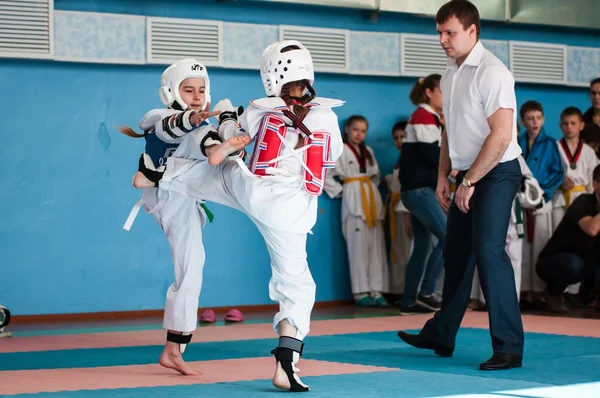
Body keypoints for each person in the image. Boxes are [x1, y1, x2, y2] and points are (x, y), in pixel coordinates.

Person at [157, 40, 344, 392]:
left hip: (249, 186)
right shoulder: (327, 116)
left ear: (271, 75)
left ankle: (159, 172)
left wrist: (228, 120)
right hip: (289, 211)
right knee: (296, 285)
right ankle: (286, 362)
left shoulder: (261, 110)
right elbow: (330, 157)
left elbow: (233, 136)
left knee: (207, 171)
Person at [397, 0, 525, 371]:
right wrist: (444, 176)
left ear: (472, 31)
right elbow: (450, 132)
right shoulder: (450, 75)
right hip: (467, 172)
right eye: (439, 32)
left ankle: (509, 347)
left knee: (488, 252)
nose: (442, 39)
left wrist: (469, 180)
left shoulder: (493, 72)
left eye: (449, 32)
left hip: (498, 171)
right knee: (456, 255)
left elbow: (501, 137)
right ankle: (441, 334)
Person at [119, 58, 244, 376]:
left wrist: (226, 125)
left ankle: (174, 347)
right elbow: (172, 127)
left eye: (202, 90)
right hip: (171, 193)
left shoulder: (200, 125)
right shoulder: (162, 119)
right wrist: (194, 121)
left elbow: (193, 128)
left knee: (193, 268)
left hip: (185, 192)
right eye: (188, 89)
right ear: (171, 91)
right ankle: (216, 150)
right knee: (190, 269)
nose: (197, 95)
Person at [324, 115, 390, 307]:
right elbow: (326, 172)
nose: (359, 134)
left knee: (376, 247)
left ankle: (377, 290)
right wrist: (341, 191)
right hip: (353, 198)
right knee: (358, 248)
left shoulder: (368, 150)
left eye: (363, 131)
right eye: (355, 129)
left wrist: (369, 187)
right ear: (346, 130)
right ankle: (361, 292)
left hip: (370, 197)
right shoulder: (340, 149)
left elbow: (376, 175)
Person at [398, 74, 446, 313]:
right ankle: (427, 291)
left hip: (416, 189)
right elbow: (432, 155)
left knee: (423, 246)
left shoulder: (430, 117)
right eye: (442, 91)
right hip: (419, 190)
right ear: (429, 92)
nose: (445, 96)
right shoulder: (424, 116)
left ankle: (408, 301)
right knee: (449, 238)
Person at [537, 164, 600, 312]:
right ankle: (553, 292)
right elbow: (591, 229)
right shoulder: (583, 202)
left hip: (586, 262)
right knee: (573, 265)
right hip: (554, 261)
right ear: (595, 184)